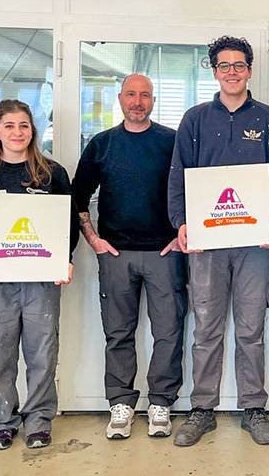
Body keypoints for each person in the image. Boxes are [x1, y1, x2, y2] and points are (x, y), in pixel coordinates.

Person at [167, 36, 269, 447]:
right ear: (215, 71)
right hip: (208, 243)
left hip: (255, 243)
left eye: (239, 65)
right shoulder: (195, 120)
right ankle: (202, 409)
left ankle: (253, 408)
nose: (232, 72)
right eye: (224, 65)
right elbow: (179, 174)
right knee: (206, 327)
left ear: (249, 71)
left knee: (251, 328)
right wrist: (182, 223)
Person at [0, 99, 78, 451]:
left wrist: (64, 260)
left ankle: (38, 422)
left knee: (42, 353)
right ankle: (2, 423)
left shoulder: (51, 174)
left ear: (32, 131)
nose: (17, 132)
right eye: (9, 126)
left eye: (24, 125)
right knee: (0, 353)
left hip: (42, 280)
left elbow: (67, 223)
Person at [72, 74, 185, 440]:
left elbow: (196, 189)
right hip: (116, 254)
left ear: (153, 101)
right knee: (118, 333)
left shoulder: (172, 142)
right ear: (120, 99)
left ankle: (161, 403)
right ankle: (121, 403)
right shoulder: (102, 144)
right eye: (131, 95)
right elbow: (78, 196)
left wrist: (182, 236)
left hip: (165, 253)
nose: (138, 102)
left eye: (145, 95)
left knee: (168, 332)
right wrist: (94, 240)